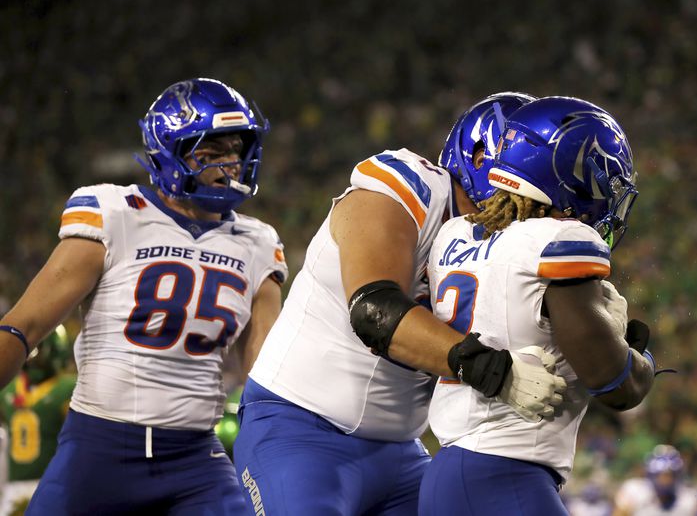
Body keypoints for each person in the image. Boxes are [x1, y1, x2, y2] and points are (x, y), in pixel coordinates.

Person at [236, 92, 567, 515]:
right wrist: (495, 372)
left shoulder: (509, 244)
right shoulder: (410, 185)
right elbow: (375, 313)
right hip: (298, 429)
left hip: (402, 455)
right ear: (486, 159)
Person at [0, 77, 287, 514]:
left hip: (196, 459)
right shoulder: (114, 213)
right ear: (170, 154)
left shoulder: (257, 242)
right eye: (212, 152)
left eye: (236, 150)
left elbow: (266, 371)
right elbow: (26, 326)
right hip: (99, 447)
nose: (230, 164)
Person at [416, 96, 657, 515]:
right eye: (602, 180)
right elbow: (616, 383)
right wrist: (639, 355)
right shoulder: (560, 241)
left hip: (446, 476)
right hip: (506, 477)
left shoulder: (453, 235)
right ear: (568, 172)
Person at [0, 326, 76, 515]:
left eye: (38, 352)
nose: (33, 359)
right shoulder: (8, 389)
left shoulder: (67, 388)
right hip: (12, 488)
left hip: (50, 483)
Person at [613, 444, 697, 515]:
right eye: (661, 475)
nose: (665, 480)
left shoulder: (687, 499)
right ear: (651, 474)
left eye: (670, 475)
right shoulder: (635, 490)